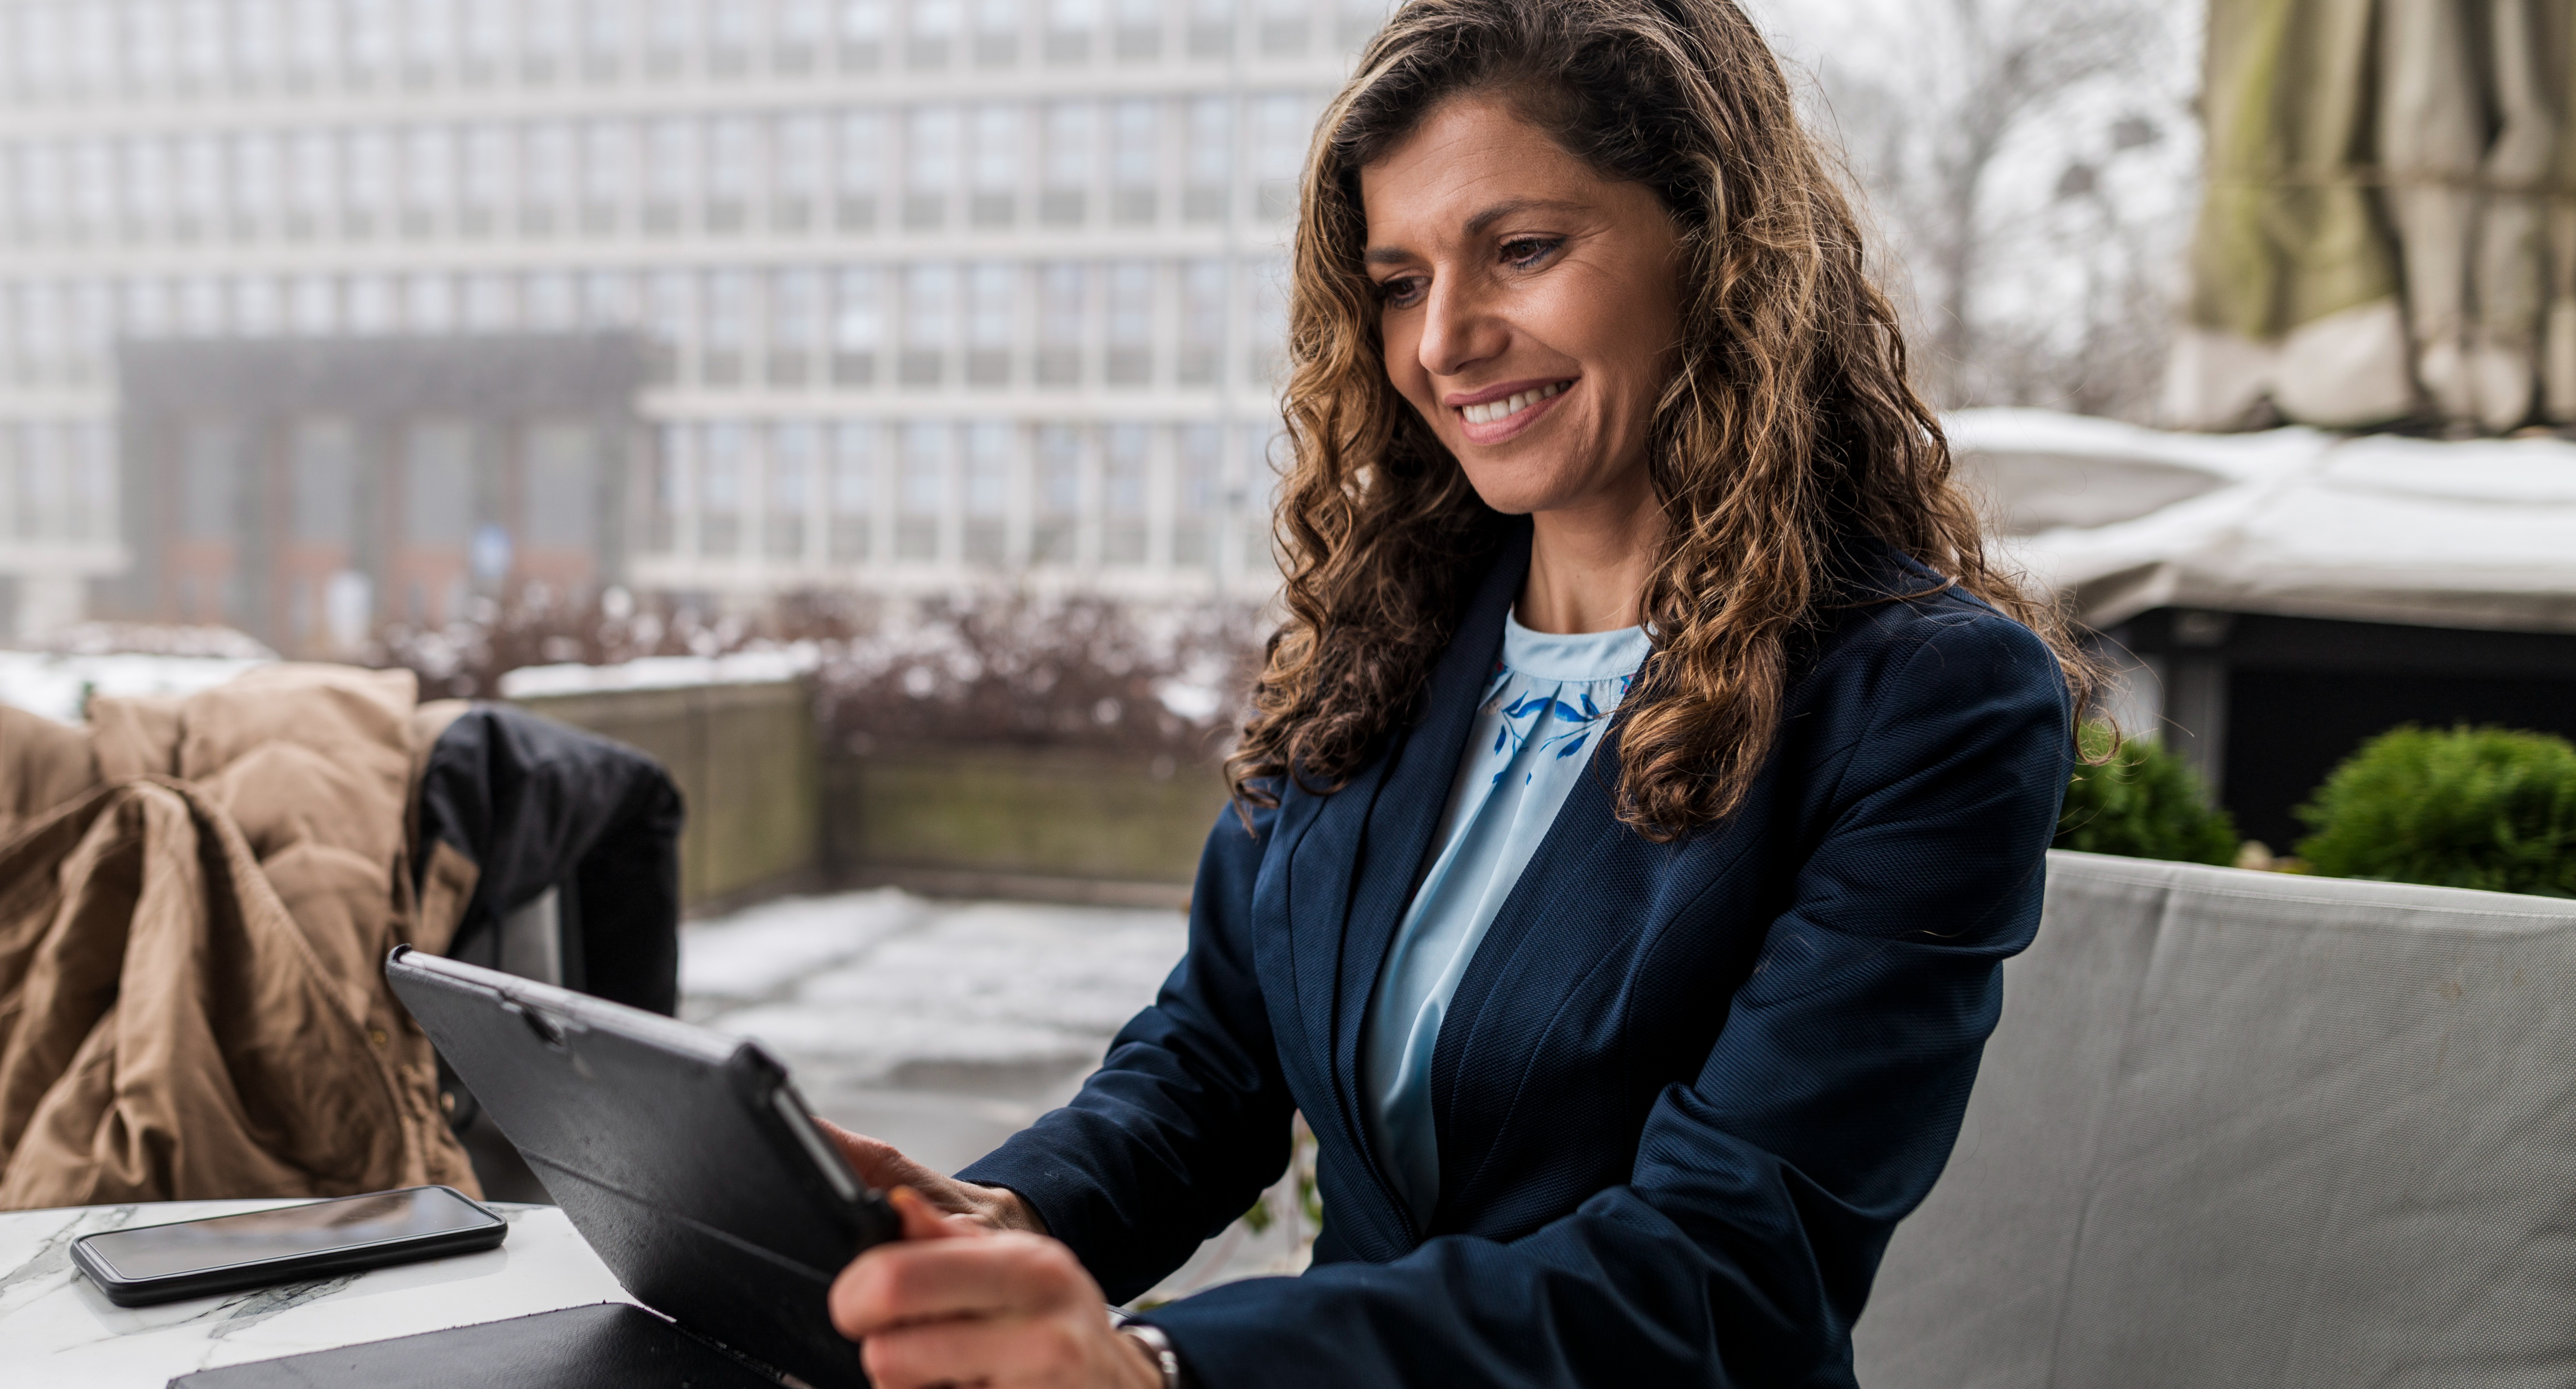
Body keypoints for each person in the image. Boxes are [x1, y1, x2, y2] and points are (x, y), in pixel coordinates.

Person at [820, 0, 2091, 1383]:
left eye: (1524, 250)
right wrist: (1002, 1225)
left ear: (1717, 254)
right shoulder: (1388, 635)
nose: (1445, 341)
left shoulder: (1931, 702)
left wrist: (1166, 1371)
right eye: (1401, 280)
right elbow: (1212, 1060)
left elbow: (1728, 1265)